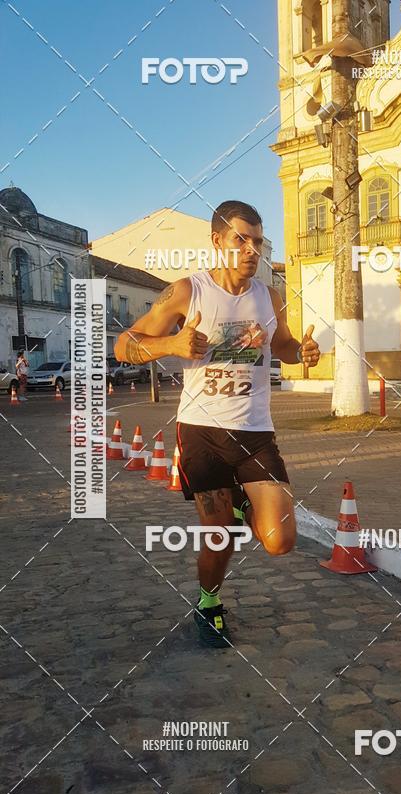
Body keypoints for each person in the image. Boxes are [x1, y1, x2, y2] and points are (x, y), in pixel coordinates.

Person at [115, 200, 320, 648]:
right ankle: (208, 603)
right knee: (218, 531)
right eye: (240, 240)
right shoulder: (188, 292)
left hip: (255, 431)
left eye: (259, 243)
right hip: (201, 432)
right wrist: (170, 342)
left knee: (280, 540)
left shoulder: (269, 297)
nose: (251, 250)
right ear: (217, 241)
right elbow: (124, 343)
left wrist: (299, 353)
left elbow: (282, 345)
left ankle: (246, 506)